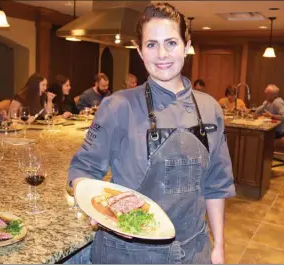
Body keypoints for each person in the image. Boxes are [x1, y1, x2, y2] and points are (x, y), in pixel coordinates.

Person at [67, 3, 235, 264]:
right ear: (140, 50)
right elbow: (83, 169)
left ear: (186, 45)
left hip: (193, 250)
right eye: (151, 45)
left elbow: (216, 184)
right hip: (128, 253)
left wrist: (219, 247)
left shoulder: (210, 108)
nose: (162, 54)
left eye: (171, 43)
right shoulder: (117, 106)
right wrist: (89, 199)